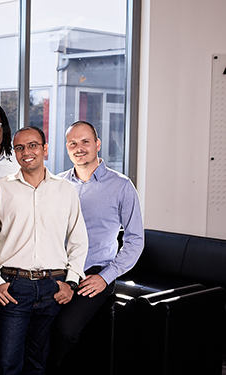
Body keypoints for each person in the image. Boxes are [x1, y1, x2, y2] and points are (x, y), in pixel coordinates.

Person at [0, 126, 89, 375]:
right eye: (19, 147)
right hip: (13, 287)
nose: (26, 152)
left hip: (54, 287)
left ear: (45, 149)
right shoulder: (0, 189)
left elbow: (78, 240)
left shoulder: (65, 190)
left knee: (39, 364)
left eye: (32, 145)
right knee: (6, 364)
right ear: (14, 153)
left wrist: (70, 282)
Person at [47, 120, 144, 371]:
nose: (79, 148)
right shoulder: (57, 184)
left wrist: (105, 277)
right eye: (72, 143)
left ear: (97, 144)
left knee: (65, 330)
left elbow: (135, 240)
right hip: (58, 271)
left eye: (85, 142)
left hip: (94, 274)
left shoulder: (121, 186)